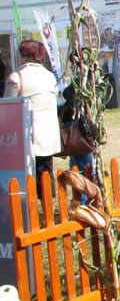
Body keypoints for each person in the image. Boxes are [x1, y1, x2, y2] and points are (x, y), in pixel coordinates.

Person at [4, 40, 61, 194]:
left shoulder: (16, 77)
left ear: (22, 56)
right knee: (46, 176)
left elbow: (6, 109)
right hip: (48, 137)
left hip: (23, 139)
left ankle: (29, 212)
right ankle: (46, 211)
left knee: (25, 180)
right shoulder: (50, 76)